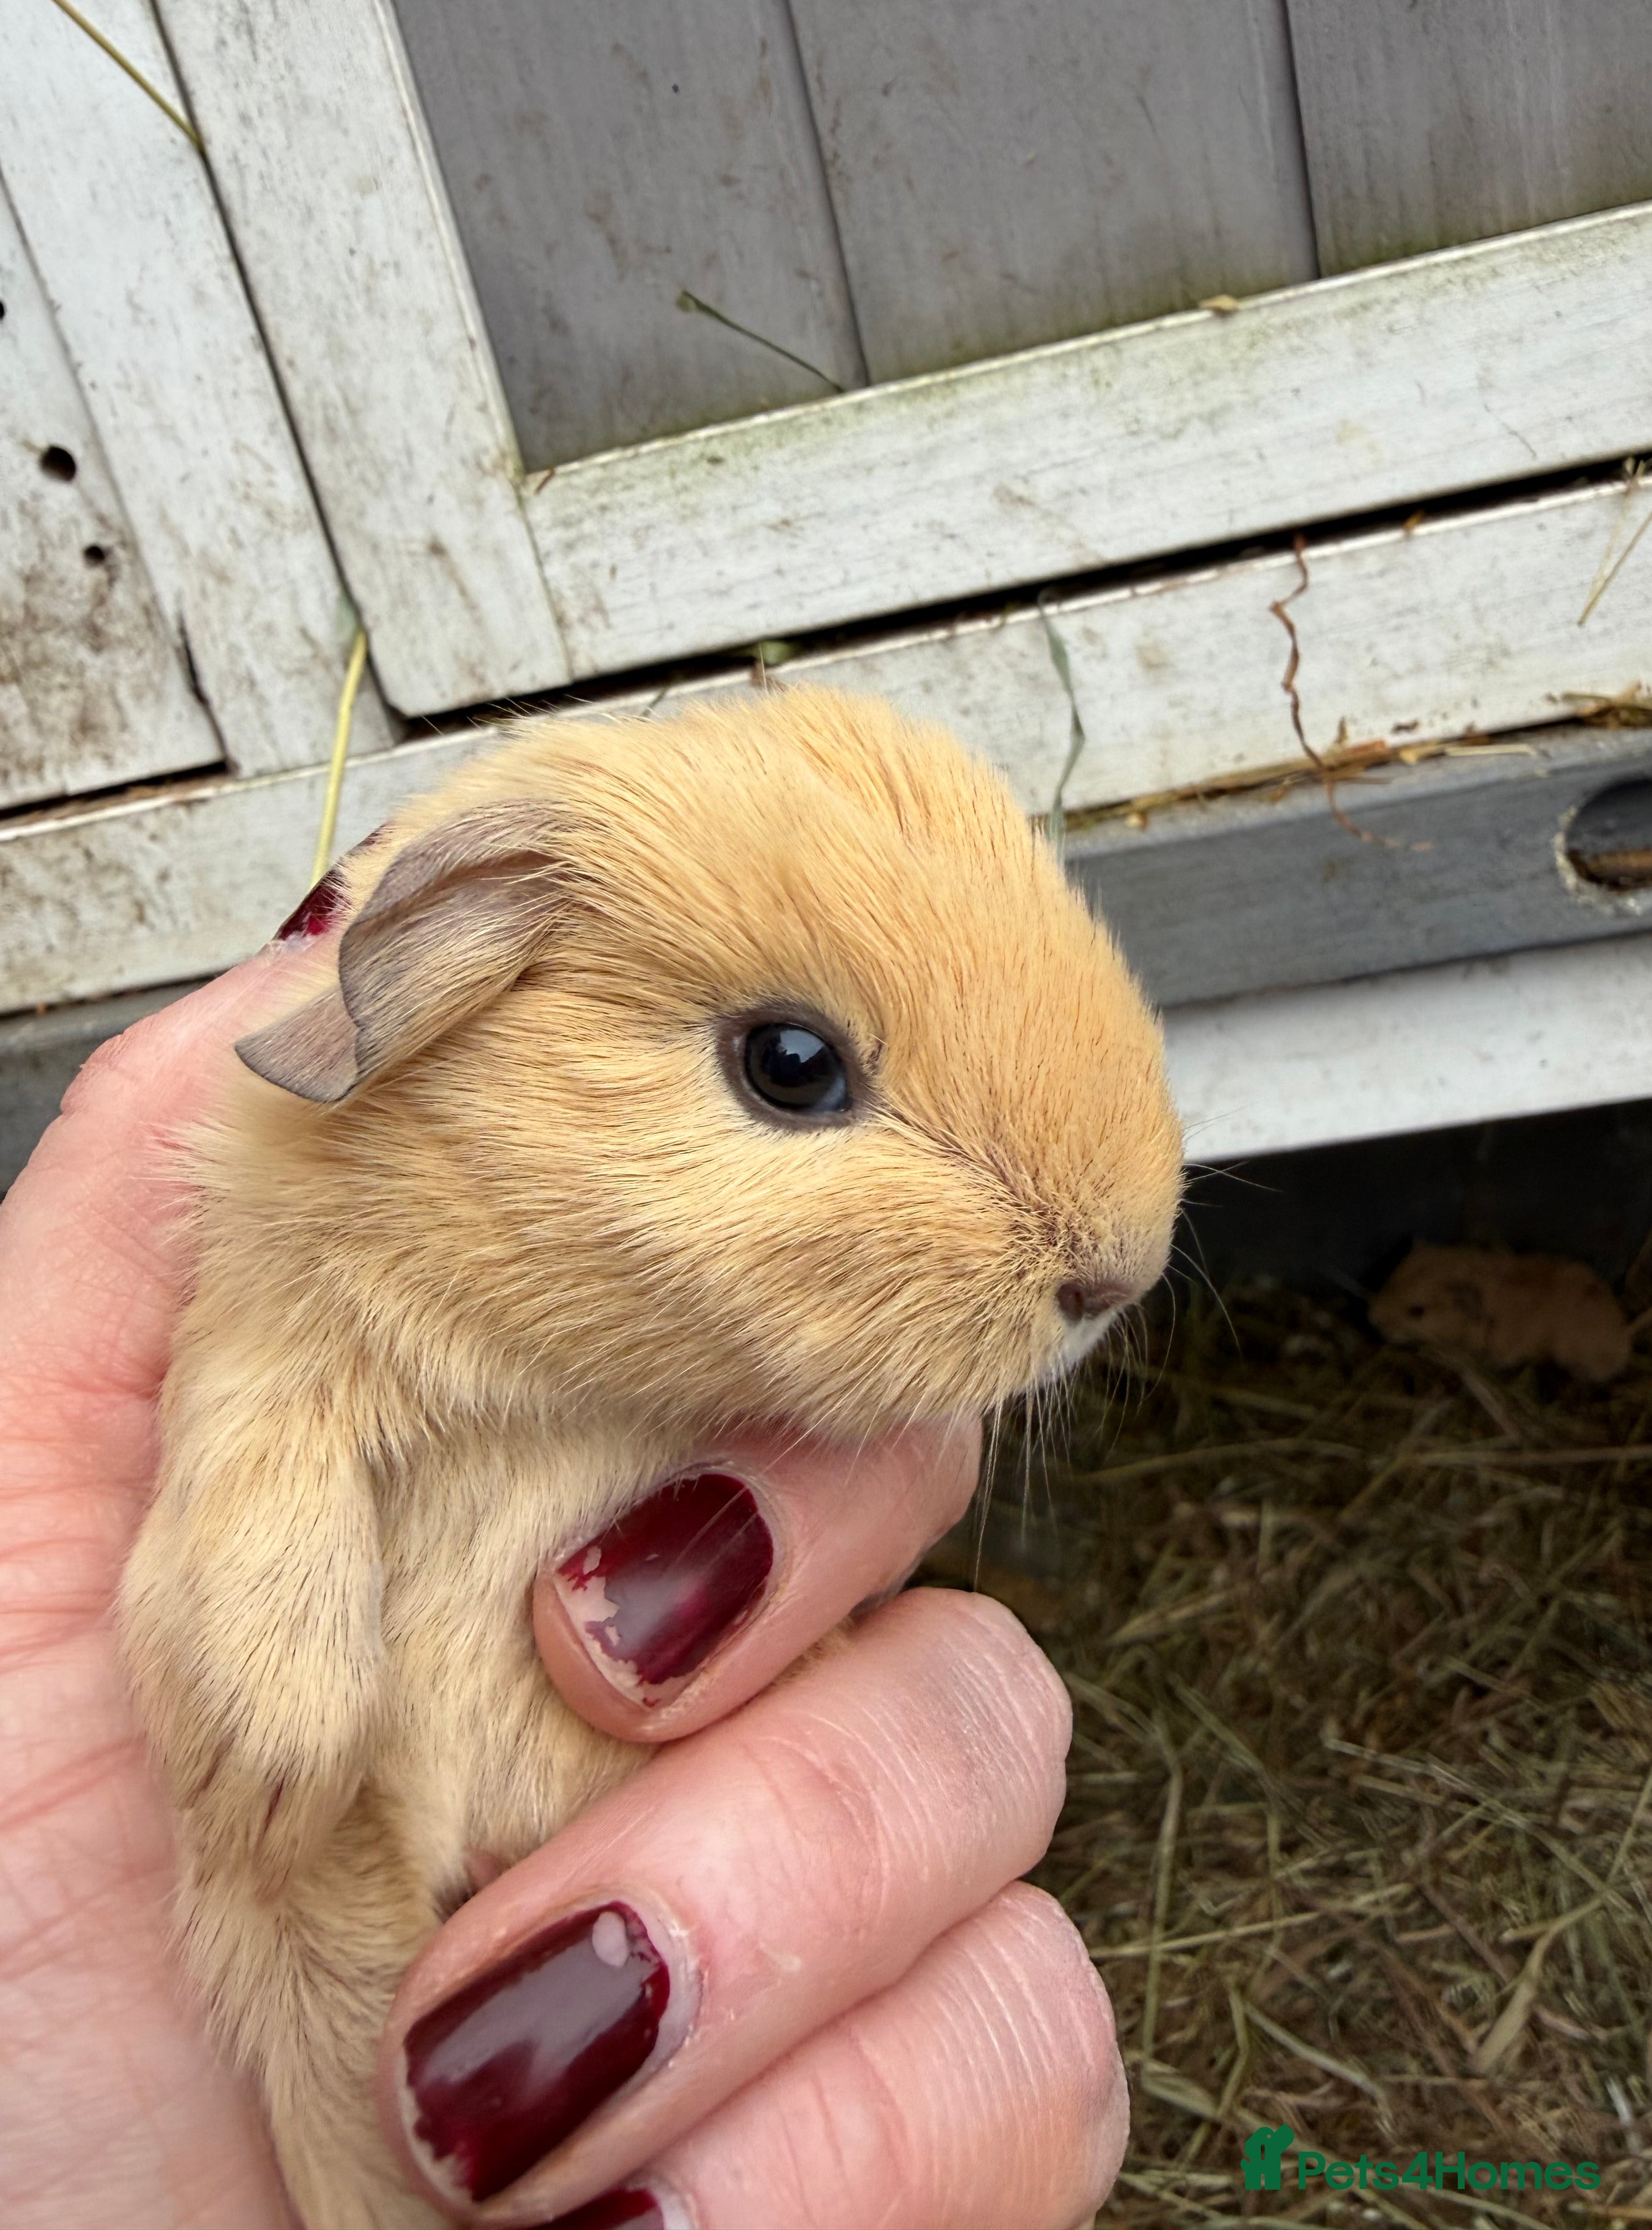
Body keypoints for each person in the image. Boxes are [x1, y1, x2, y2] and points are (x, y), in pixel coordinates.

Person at [0, 935, 1125, 2229]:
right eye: (793, 1068)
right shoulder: (308, 1216)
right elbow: (257, 1425)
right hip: (311, 1907)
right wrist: (271, 1620)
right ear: (458, 959)